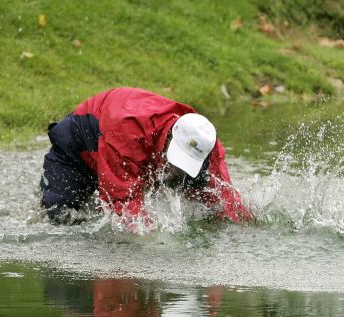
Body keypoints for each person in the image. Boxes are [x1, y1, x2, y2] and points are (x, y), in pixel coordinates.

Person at [40, 87, 253, 226]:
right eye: (176, 158)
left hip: (127, 148)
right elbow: (123, 203)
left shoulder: (205, 140)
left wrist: (244, 224)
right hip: (79, 152)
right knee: (61, 219)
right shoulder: (126, 129)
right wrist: (154, 242)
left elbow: (224, 195)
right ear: (170, 136)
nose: (176, 168)